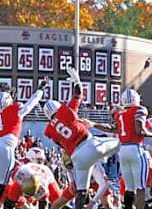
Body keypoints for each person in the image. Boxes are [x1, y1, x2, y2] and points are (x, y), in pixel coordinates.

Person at [42, 68, 120, 209]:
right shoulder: (66, 112)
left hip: (77, 156)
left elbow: (64, 148)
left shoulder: (49, 130)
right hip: (89, 144)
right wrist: (77, 80)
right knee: (124, 143)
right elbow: (78, 94)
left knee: (81, 191)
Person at [0, 77, 47, 209]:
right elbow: (31, 103)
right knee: (1, 181)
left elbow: (3, 111)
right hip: (5, 147)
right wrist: (40, 90)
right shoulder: (16, 109)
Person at [108, 89, 152, 209]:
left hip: (123, 150)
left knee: (129, 188)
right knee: (140, 187)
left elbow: (115, 129)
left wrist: (93, 124)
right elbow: (140, 130)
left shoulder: (120, 114)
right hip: (136, 148)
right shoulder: (139, 110)